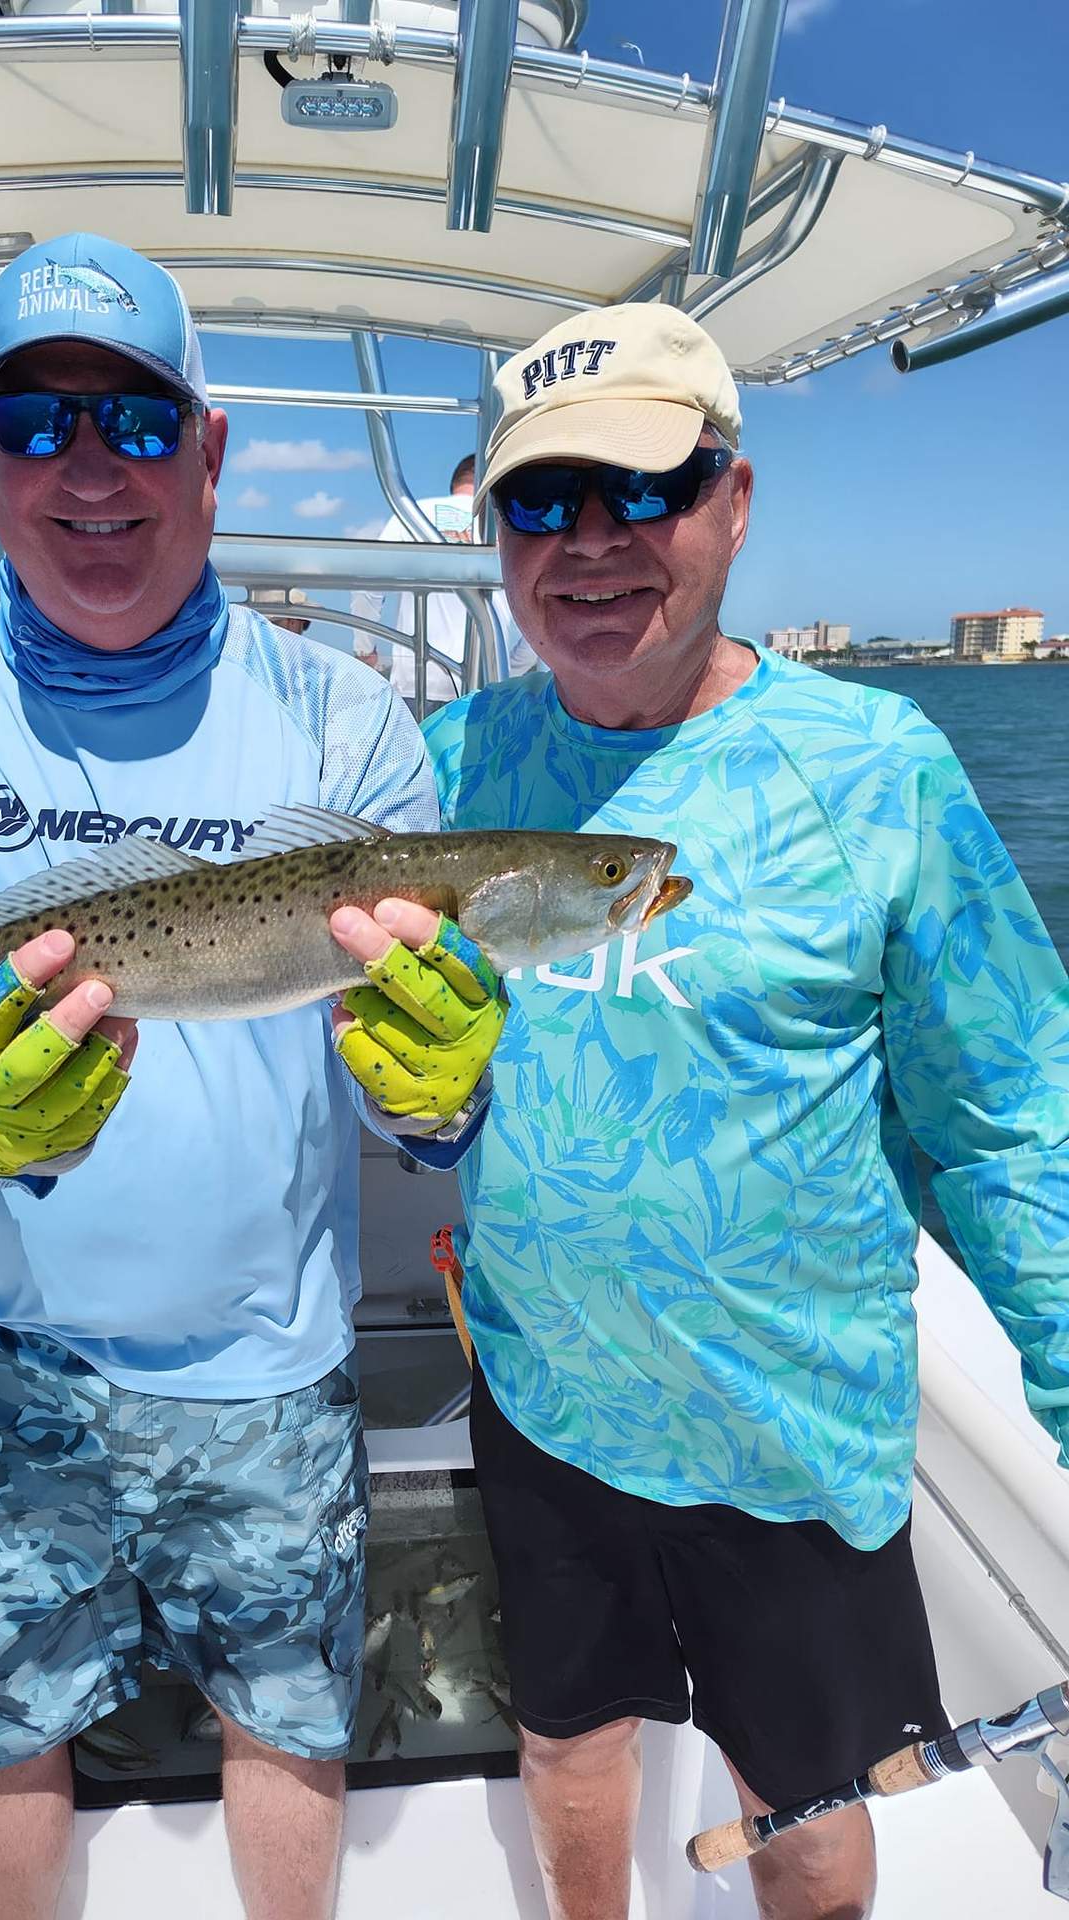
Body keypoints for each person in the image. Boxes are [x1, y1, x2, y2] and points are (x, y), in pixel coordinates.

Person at [0, 233, 505, 1920]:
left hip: (271, 1362)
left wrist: (441, 1097)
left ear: (209, 449)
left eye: (130, 418)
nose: (84, 466)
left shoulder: (348, 722)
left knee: (292, 1718)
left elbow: (416, 1085)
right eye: (32, 423)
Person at [406, 303, 1069, 1920]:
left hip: (791, 1431)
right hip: (547, 1398)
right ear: (493, 528)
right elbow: (406, 1083)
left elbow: (1005, 1121)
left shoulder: (877, 770)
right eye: (535, 503)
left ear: (736, 499)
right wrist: (415, 1114)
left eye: (642, 490)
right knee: (565, 1745)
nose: (587, 544)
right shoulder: (441, 765)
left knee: (809, 1800)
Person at [350, 453, 538, 702]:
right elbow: (538, 598)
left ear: (454, 483)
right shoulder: (510, 523)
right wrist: (509, 667)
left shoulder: (412, 514)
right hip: (490, 686)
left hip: (417, 682)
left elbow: (367, 583)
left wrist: (365, 648)